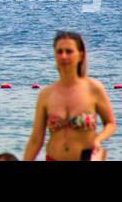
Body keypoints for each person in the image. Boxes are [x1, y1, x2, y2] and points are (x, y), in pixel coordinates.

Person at [23, 31, 116, 161]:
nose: (64, 56)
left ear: (81, 55)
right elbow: (36, 140)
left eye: (69, 51)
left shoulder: (94, 89)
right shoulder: (46, 94)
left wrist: (98, 139)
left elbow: (110, 123)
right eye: (59, 51)